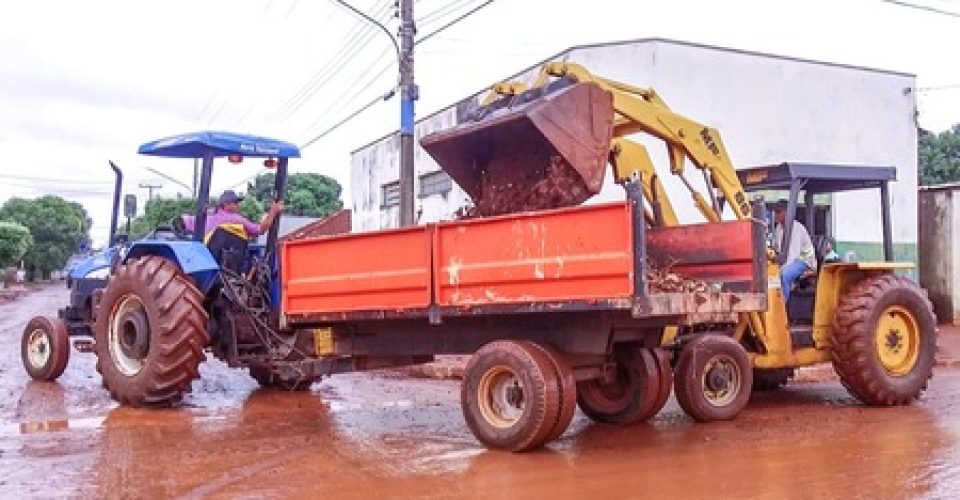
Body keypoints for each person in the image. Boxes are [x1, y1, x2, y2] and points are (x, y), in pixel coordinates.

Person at [183, 190, 284, 239]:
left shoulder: (205, 217)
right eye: (235, 203)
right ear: (226, 204)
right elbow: (260, 229)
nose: (238, 205)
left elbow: (181, 220)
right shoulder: (236, 219)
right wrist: (273, 211)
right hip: (228, 263)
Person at [772, 200, 816, 302]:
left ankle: (784, 305)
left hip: (804, 259)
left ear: (787, 212)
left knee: (785, 274)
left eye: (779, 212)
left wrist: (780, 268)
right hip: (790, 259)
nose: (776, 214)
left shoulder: (796, 228)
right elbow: (778, 249)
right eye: (775, 211)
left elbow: (793, 255)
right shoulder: (778, 228)